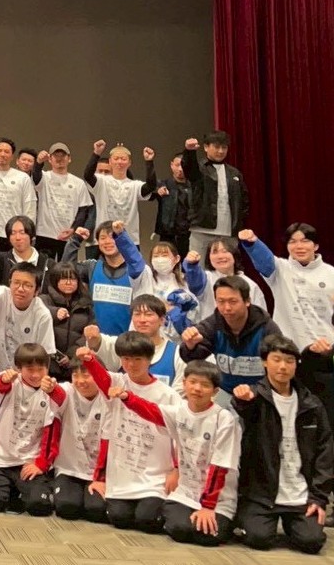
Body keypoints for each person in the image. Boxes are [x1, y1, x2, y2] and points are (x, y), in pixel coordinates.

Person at [108, 360, 241, 546]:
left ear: (215, 391)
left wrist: (208, 507)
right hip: (186, 494)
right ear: (184, 383)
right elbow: (151, 411)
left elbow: (220, 466)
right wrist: (126, 397)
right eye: (192, 382)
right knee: (179, 529)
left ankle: (227, 522)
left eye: (205, 385)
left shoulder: (224, 419)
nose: (197, 388)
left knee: (208, 537)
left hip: (218, 499)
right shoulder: (179, 411)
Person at [230, 334, 334, 554]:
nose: (283, 367)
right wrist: (241, 399)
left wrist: (318, 498)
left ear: (296, 365)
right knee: (259, 538)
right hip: (261, 495)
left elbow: (325, 451)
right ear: (265, 362)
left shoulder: (312, 404)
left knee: (312, 541)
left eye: (289, 361)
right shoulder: (255, 398)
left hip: (300, 494)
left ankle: (296, 523)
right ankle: (245, 515)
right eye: (276, 360)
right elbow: (244, 408)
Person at [78, 335, 179, 533]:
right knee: (119, 518)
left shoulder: (168, 395)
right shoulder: (117, 382)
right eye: (126, 359)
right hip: (123, 476)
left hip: (154, 477)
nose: (131, 364)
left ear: (150, 359)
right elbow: (102, 378)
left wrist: (177, 469)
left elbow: (179, 436)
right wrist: (89, 360)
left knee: (147, 519)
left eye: (138, 359)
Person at [242, 225, 334, 431]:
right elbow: (263, 258)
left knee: (323, 420)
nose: (299, 246)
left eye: (305, 241)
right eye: (293, 242)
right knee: (285, 419)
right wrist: (251, 241)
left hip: (323, 357)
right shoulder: (280, 269)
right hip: (287, 355)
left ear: (316, 245)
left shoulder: (331, 274)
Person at [0, 343, 62, 515]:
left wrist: (41, 464)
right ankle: (13, 492)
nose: (36, 375)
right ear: (18, 368)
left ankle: (26, 491)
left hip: (28, 461)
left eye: (41, 369)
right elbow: (1, 384)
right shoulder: (12, 381)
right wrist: (6, 378)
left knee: (39, 506)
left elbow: (56, 418)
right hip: (1, 460)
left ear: (48, 367)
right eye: (29, 369)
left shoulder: (51, 388)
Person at [179, 276, 281, 402]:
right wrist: (190, 345)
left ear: (247, 301)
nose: (226, 308)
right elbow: (191, 359)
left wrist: (255, 391)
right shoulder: (213, 324)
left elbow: (280, 366)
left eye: (233, 301)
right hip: (226, 391)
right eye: (221, 301)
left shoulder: (267, 327)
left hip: (260, 393)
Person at [48, 355, 111, 521]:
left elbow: (108, 441)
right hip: (69, 467)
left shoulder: (108, 399)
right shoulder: (68, 390)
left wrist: (101, 478)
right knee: (67, 508)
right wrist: (50, 388)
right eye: (75, 375)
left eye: (86, 375)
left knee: (96, 510)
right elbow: (57, 393)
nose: (80, 381)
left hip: (97, 471)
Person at [62, 221, 147, 338]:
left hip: (127, 342)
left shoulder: (135, 270)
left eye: (112, 237)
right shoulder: (91, 267)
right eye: (102, 238)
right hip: (96, 340)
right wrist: (75, 240)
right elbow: (66, 269)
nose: (107, 242)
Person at [0, 263, 55, 378]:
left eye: (27, 285)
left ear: (37, 291)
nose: (20, 289)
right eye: (16, 283)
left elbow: (45, 353)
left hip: (21, 375)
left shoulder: (42, 315)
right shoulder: (3, 293)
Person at [182, 133, 249, 259]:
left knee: (228, 267)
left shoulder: (234, 173)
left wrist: (238, 223)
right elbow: (189, 169)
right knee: (198, 266)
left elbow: (243, 201)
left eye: (224, 147)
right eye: (217, 147)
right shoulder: (200, 169)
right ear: (206, 147)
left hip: (228, 231)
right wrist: (189, 152)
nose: (221, 151)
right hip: (202, 229)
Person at [83, 142, 157, 246]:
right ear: (110, 161)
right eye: (116, 158)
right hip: (106, 239)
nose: (119, 162)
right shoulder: (101, 181)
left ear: (129, 163)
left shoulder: (134, 185)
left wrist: (149, 161)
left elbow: (151, 186)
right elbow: (88, 175)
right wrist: (96, 153)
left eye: (123, 159)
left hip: (129, 239)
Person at [34, 143, 94, 260]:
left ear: (69, 158)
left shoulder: (78, 183)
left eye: (63, 155)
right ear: (50, 159)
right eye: (56, 156)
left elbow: (83, 210)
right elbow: (36, 176)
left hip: (68, 236)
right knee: (43, 269)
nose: (59, 159)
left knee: (66, 268)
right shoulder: (44, 177)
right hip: (45, 234)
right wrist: (39, 162)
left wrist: (73, 229)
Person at [40, 262, 94, 380]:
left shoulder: (85, 304)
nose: (69, 283)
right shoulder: (44, 300)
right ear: (55, 280)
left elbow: (88, 335)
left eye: (73, 279)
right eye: (64, 278)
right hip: (47, 364)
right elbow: (37, 317)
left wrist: (71, 355)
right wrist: (54, 313)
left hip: (74, 366)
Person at [0, 216, 51, 285]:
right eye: (13, 233)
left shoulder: (46, 262)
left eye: (22, 233)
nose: (18, 237)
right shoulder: (3, 260)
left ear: (32, 236)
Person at [154, 154, 192, 256]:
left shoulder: (194, 187)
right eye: (177, 165)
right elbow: (151, 190)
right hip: (167, 233)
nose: (180, 169)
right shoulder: (163, 184)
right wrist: (158, 190)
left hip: (189, 233)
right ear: (171, 165)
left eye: (183, 165)